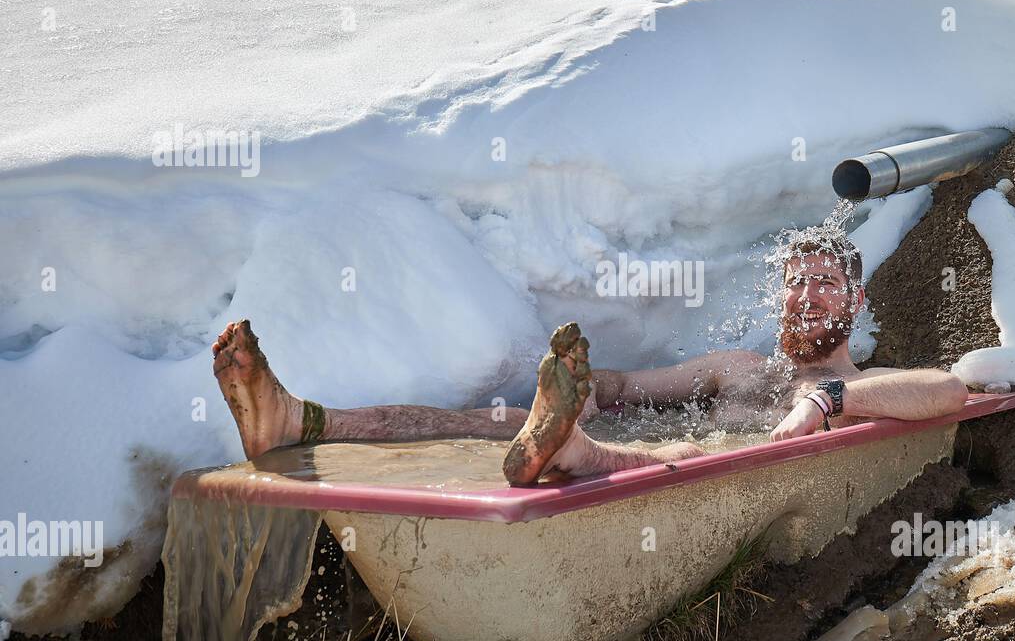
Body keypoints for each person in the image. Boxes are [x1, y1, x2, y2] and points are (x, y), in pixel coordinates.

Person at [212, 232, 967, 484]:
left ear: (855, 304)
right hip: (625, 443)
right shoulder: (738, 368)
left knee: (688, 447)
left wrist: (830, 401)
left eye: (825, 285)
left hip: (689, 476)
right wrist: (586, 382)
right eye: (794, 282)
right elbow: (629, 385)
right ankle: (303, 419)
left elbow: (948, 392)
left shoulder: (863, 384)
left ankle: (578, 452)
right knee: (499, 418)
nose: (805, 297)